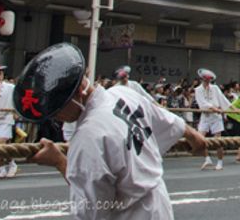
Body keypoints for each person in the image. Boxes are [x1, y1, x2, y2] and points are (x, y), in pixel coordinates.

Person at [24, 43, 205, 219]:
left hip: (131, 213)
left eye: (58, 109)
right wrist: (193, 135)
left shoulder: (88, 137)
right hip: (159, 206)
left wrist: (60, 162)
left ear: (79, 91)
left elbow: (92, 211)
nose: (56, 117)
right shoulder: (123, 94)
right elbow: (169, 121)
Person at [194, 69, 230, 170]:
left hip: (216, 116)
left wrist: (230, 109)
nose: (207, 82)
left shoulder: (215, 88)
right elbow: (202, 103)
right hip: (205, 115)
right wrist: (213, 108)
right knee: (199, 139)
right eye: (205, 80)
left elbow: (223, 100)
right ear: (202, 79)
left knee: (217, 140)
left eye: (209, 80)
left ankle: (220, 162)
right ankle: (207, 158)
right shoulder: (198, 90)